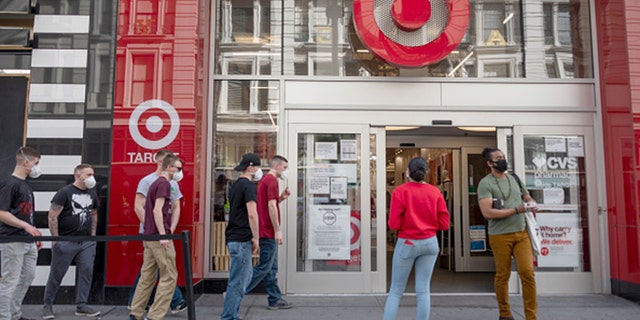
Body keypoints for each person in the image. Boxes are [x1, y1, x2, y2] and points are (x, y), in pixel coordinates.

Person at [383, 157, 449, 320]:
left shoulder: (400, 191)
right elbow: (444, 223)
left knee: (396, 291)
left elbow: (393, 224)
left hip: (407, 242)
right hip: (430, 242)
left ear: (408, 172)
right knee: (423, 290)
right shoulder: (435, 192)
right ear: (426, 172)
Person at [477, 147, 538, 320]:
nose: (503, 160)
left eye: (503, 157)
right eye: (498, 158)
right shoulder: (486, 183)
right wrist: (517, 210)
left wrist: (531, 203)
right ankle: (505, 313)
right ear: (490, 163)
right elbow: (487, 213)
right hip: (500, 236)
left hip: (522, 233)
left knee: (527, 272)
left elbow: (527, 197)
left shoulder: (515, 178)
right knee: (503, 275)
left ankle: (531, 316)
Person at [127, 150, 187, 314]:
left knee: (147, 275)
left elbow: (172, 207)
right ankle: (155, 314)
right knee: (168, 276)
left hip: (152, 235)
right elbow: (156, 210)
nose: (180, 172)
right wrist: (163, 233)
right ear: (168, 166)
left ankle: (136, 312)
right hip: (159, 236)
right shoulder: (162, 184)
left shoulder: (159, 183)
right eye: (178, 168)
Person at [41, 163, 100, 319]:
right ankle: (47, 306)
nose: (91, 178)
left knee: (86, 272)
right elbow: (52, 215)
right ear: (78, 175)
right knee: (56, 274)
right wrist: (56, 238)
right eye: (88, 174)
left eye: (92, 174)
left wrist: (93, 234)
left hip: (86, 242)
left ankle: (81, 306)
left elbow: (94, 213)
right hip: (66, 241)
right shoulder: (64, 193)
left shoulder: (92, 194)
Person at [0, 146, 43, 320]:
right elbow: (2, 213)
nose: (37, 167)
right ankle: (4, 316)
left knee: (27, 277)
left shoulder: (25, 185)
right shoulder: (9, 184)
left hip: (26, 240)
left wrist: (32, 233)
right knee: (10, 281)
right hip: (12, 239)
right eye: (36, 163)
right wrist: (26, 227)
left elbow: (26, 214)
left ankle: (14, 313)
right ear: (26, 162)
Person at [245, 155, 292, 310]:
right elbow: (271, 207)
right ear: (277, 166)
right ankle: (237, 290)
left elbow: (269, 204)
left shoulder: (266, 181)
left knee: (271, 267)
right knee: (265, 266)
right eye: (284, 167)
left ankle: (274, 298)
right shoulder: (271, 181)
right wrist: (277, 230)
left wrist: (281, 198)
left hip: (265, 230)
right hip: (268, 231)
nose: (286, 171)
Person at [221, 153, 261, 320]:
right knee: (238, 282)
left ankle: (231, 311)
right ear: (251, 167)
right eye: (258, 167)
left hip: (233, 237)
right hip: (242, 238)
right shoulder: (249, 187)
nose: (259, 171)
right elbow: (252, 214)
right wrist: (256, 237)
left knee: (245, 277)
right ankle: (229, 316)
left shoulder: (235, 185)